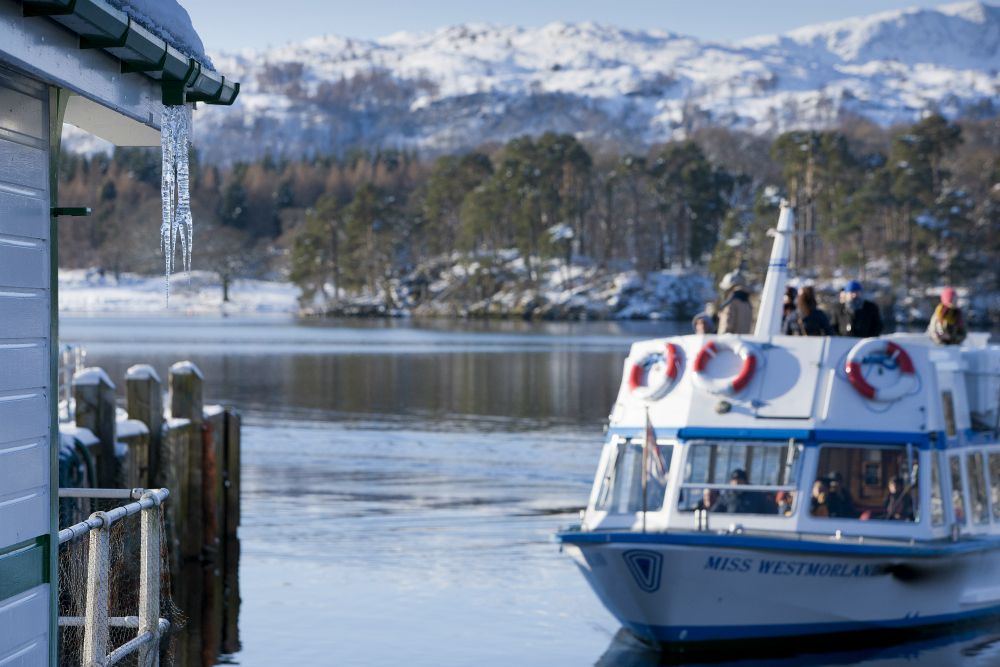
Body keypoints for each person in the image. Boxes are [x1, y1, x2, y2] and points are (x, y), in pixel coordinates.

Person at [711, 469, 776, 514]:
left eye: (739, 481)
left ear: (745, 482)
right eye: (734, 481)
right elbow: (715, 512)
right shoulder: (726, 497)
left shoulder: (756, 496)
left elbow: (771, 511)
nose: (736, 484)